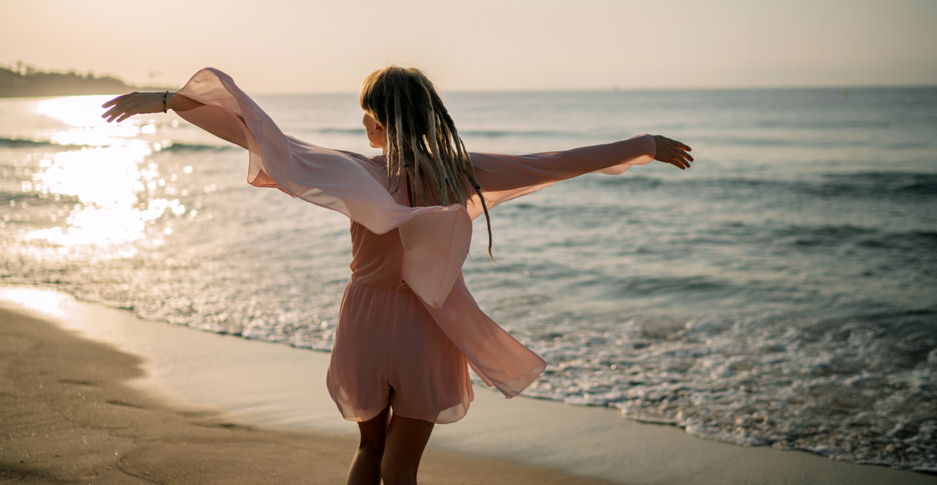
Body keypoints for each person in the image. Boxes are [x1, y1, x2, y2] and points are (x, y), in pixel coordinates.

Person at [101, 66, 692, 484]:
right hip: (426, 326)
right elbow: (557, 163)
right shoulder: (462, 171)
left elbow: (257, 132)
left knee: (370, 450)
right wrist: (645, 144)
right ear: (428, 115)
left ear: (374, 120)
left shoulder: (354, 171)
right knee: (402, 468)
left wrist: (164, 100)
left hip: (363, 320)